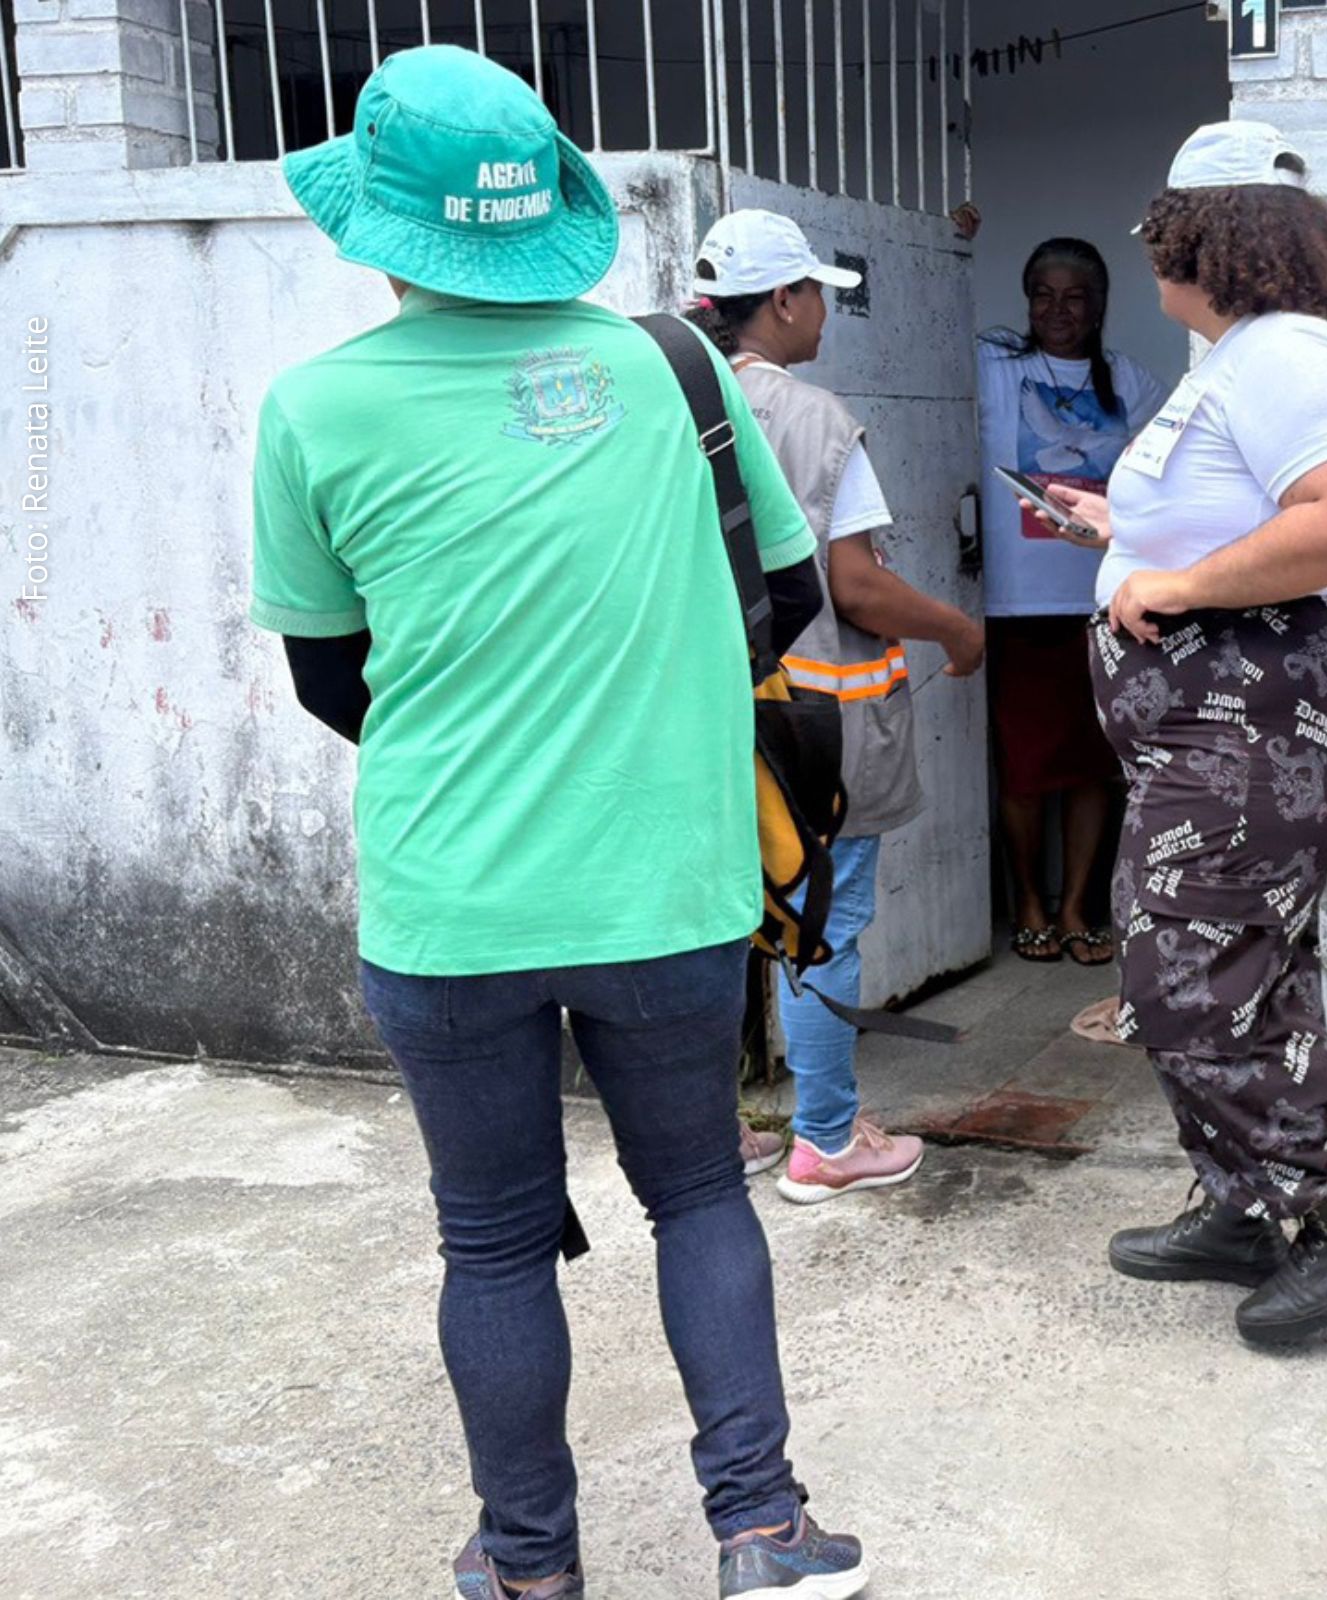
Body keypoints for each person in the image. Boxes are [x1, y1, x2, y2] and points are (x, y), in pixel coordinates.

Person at [249, 49, 869, 1600]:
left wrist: (485, 754)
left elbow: (330, 679)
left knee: (493, 1241)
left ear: (383, 229)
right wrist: (639, 718)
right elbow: (789, 593)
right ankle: (762, 1531)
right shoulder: (675, 367)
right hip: (665, 883)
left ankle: (530, 1565)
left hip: (449, 904)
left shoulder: (314, 408)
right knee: (700, 1198)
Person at [1046, 121, 1327, 1347]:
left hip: (1261, 735)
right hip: (1224, 736)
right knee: (1242, 967)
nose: (1147, 250)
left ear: (1202, 234)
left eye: (1158, 228)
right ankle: (1247, 1204)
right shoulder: (1240, 359)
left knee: (1185, 979)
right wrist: (1124, 533)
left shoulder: (1286, 353)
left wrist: (1184, 584)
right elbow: (1235, 514)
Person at [689, 208, 986, 1205]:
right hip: (813, 730)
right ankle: (822, 1140)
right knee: (818, 928)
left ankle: (713, 1132)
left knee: (714, 922)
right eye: (816, 293)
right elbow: (856, 587)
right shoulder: (814, 418)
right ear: (783, 300)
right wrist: (956, 629)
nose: (823, 311)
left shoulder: (668, 402)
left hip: (701, 719)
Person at [975, 238, 1167, 966]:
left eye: (1075, 297)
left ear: (1099, 305)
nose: (1058, 310)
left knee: (1094, 763)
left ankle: (1077, 905)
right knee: (1023, 766)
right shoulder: (995, 367)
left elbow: (1164, 481)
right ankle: (1028, 901)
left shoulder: (1134, 384)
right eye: (1043, 295)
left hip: (1099, 599)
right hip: (1016, 604)